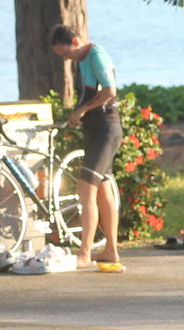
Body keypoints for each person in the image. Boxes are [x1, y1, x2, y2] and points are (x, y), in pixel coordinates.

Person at [50, 24, 123, 271]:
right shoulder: (82, 60)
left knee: (85, 189)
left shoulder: (96, 55)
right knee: (103, 190)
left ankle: (84, 253)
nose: (66, 59)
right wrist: (79, 113)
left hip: (106, 129)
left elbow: (110, 91)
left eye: (66, 53)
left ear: (75, 41)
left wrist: (82, 109)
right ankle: (111, 250)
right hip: (96, 130)